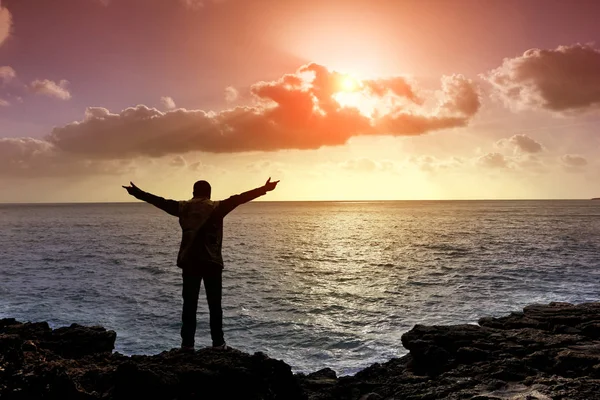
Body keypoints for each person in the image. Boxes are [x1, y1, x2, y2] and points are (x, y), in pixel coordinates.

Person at [122, 178, 280, 351]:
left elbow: (159, 201)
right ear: (209, 193)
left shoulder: (183, 208)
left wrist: (137, 193)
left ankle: (187, 344)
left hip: (190, 262)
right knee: (215, 305)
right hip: (212, 262)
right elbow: (240, 198)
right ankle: (218, 343)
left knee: (189, 305)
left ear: (193, 193)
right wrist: (264, 188)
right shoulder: (217, 208)